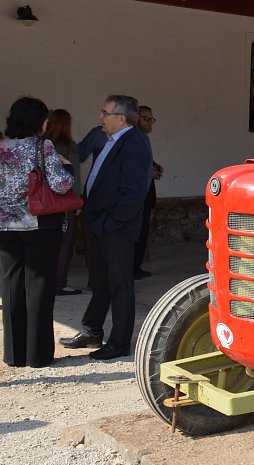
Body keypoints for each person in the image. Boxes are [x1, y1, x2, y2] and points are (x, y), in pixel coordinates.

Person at [58, 95, 152, 361]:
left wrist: (112, 223)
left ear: (121, 118)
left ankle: (119, 342)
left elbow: (134, 193)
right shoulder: (111, 139)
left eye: (105, 113)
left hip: (115, 227)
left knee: (120, 284)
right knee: (99, 281)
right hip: (98, 222)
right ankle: (91, 330)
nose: (101, 117)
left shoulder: (134, 143)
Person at [0, 97, 75, 368]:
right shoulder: (42, 146)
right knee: (39, 286)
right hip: (40, 223)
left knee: (11, 286)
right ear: (37, 121)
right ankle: (38, 355)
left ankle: (14, 354)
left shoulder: (1, 146)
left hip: (6, 225)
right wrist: (66, 166)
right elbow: (61, 184)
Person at [43, 109, 84, 295]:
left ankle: (44, 281)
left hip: (44, 202)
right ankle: (59, 283)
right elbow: (75, 175)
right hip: (64, 202)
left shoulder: (41, 144)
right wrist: (77, 201)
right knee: (65, 244)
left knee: (47, 244)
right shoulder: (69, 146)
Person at [134, 105, 164, 279]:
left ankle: (136, 266)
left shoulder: (142, 138)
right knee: (137, 232)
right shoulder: (132, 138)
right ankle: (132, 268)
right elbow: (131, 164)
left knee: (143, 231)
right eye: (146, 119)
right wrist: (148, 171)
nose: (149, 123)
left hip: (146, 193)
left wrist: (154, 166)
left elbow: (144, 160)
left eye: (151, 119)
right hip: (137, 194)